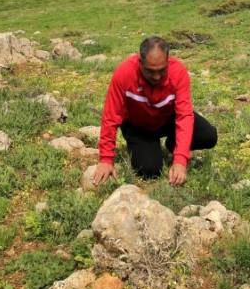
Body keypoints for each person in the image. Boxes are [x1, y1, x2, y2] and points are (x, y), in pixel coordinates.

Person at [92, 36, 217, 187]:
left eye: (162, 70)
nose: (157, 76)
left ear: (168, 61)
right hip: (138, 126)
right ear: (140, 62)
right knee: (149, 170)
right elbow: (111, 116)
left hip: (166, 119)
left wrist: (180, 160)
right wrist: (106, 159)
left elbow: (184, 116)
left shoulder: (178, 72)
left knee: (209, 136)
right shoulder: (124, 73)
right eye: (150, 71)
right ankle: (150, 146)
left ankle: (174, 144)